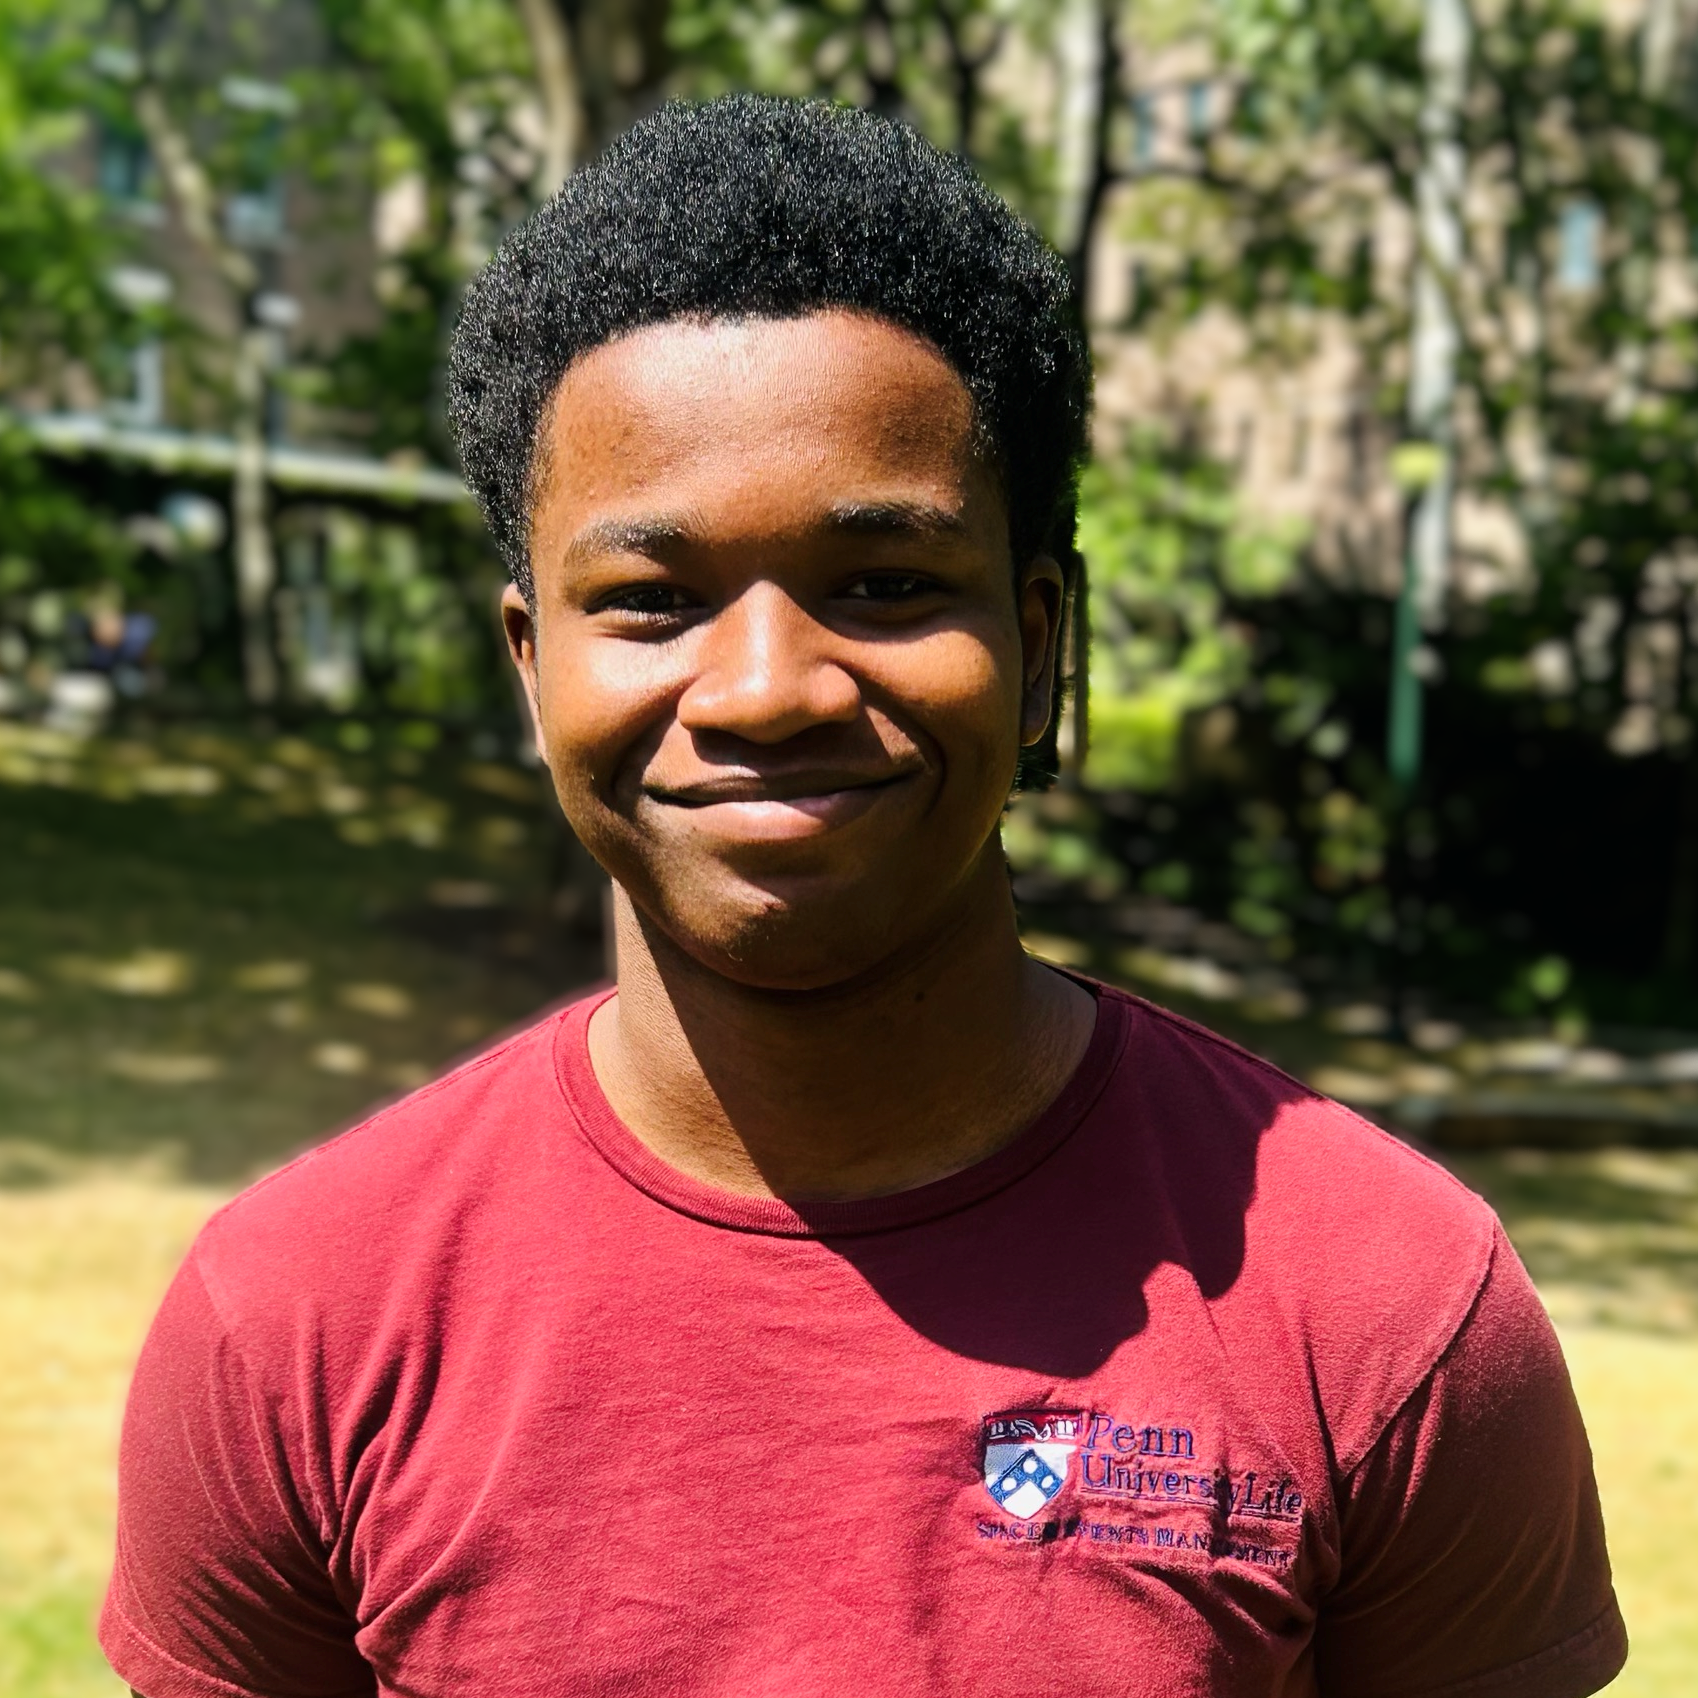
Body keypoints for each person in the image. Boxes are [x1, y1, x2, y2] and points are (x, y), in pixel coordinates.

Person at [102, 96, 1625, 1698]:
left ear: (1037, 645)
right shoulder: (293, 1318)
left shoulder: (1384, 1297)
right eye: (652, 598)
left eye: (884, 584)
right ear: (530, 660)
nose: (765, 686)